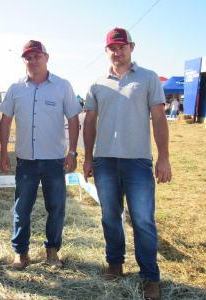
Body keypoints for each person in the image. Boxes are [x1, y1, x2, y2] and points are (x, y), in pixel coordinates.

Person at [83, 28, 171, 300]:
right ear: (106, 49)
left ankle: (149, 277)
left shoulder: (148, 78)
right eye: (112, 47)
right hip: (105, 162)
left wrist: (164, 157)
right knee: (110, 216)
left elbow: (158, 118)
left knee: (143, 220)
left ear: (132, 47)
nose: (117, 51)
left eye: (122, 46)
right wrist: (88, 157)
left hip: (138, 162)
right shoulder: (97, 83)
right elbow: (89, 122)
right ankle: (115, 264)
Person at [0, 40, 82, 269]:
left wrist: (72, 152)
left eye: (37, 56)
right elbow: (5, 121)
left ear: (47, 57)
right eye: (28, 57)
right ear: (23, 60)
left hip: (54, 160)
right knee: (21, 207)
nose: (32, 61)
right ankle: (20, 253)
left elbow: (74, 119)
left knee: (56, 208)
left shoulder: (62, 86)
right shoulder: (16, 88)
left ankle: (52, 251)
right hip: (25, 161)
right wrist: (4, 152)